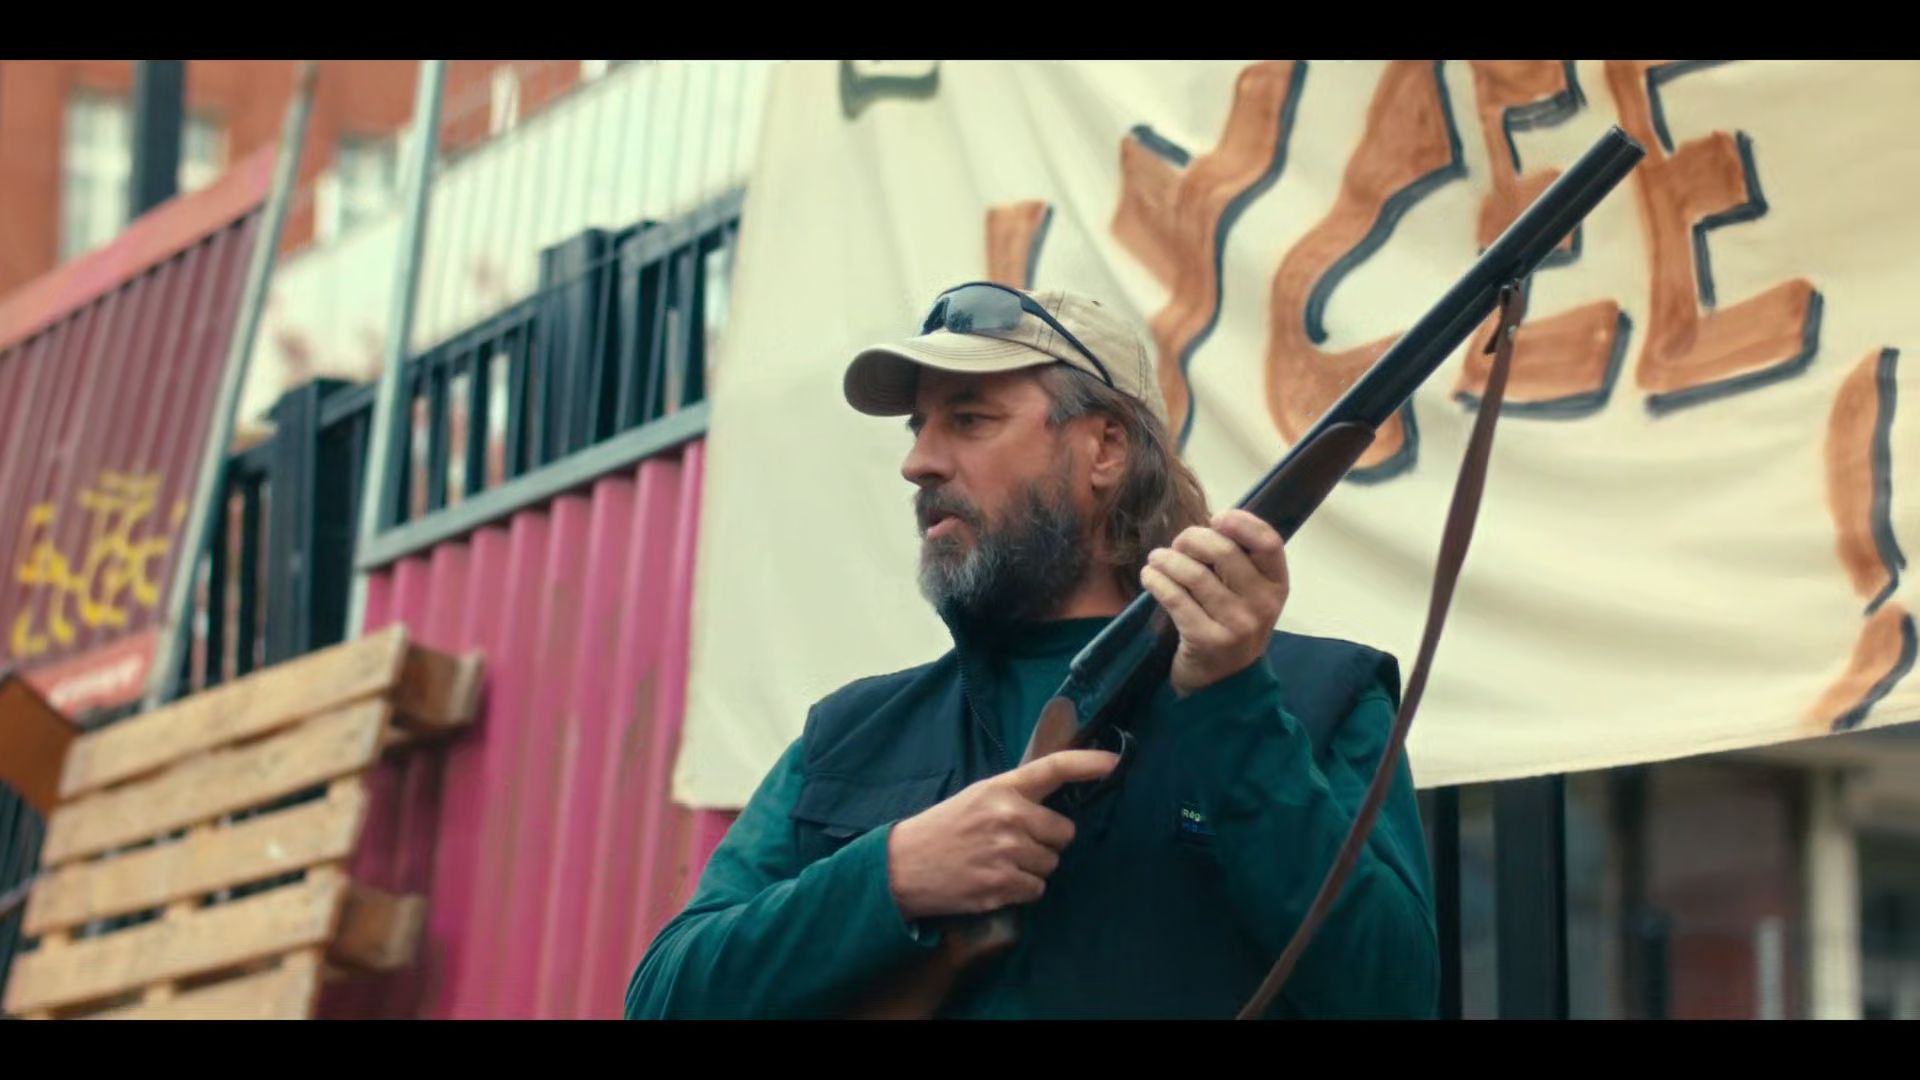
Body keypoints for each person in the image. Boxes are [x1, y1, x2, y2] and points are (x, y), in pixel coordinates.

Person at [625, 282, 1438, 1019]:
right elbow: (662, 997)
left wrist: (1235, 705)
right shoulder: (848, 735)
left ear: (1105, 448)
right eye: (918, 427)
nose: (918, 462)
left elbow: (1393, 995)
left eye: (969, 419)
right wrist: (892, 876)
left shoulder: (1323, 696)